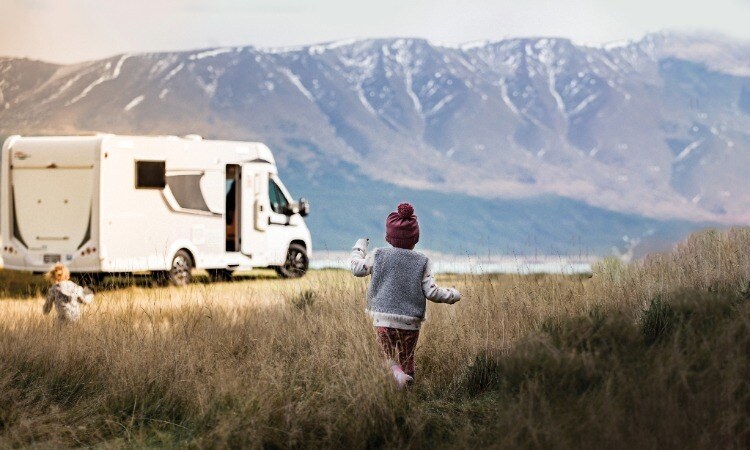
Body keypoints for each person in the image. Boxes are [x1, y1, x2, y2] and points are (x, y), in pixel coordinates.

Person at [350, 202, 461, 389]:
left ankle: (396, 376)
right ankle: (407, 392)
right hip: (411, 323)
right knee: (407, 359)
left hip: (383, 320)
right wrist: (453, 294)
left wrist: (359, 247)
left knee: (385, 357)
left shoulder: (378, 255)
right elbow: (432, 292)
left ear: (388, 237)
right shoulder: (423, 261)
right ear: (415, 239)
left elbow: (357, 269)